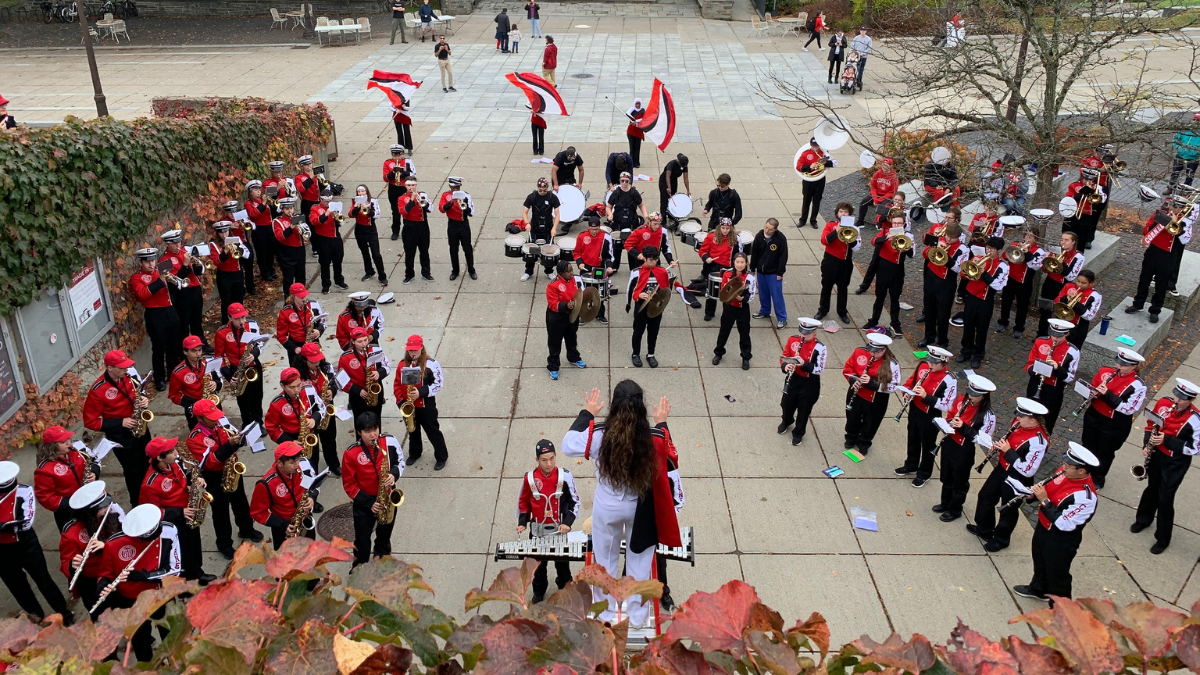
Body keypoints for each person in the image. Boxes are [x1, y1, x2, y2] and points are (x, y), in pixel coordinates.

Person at [561, 382, 680, 627]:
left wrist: (588, 413)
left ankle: (605, 613)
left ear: (614, 405)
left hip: (607, 506)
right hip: (639, 506)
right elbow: (670, 454)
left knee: (604, 559)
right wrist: (662, 423)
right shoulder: (652, 437)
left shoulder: (598, 435)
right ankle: (636, 615)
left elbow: (568, 444)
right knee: (640, 559)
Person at [1012, 443, 1101, 603]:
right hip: (1044, 526)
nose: (1063, 467)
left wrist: (1044, 500)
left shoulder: (1086, 497)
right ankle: (1039, 589)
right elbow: (1050, 488)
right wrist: (1032, 495)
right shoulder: (1064, 473)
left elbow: (1064, 523)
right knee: (1039, 559)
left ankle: (1062, 611)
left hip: (1061, 539)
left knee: (1057, 575)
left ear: (1081, 471)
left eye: (1068, 466)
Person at [96, 503, 180, 660]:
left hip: (159, 596)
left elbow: (175, 570)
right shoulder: (114, 543)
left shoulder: (169, 531)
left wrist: (143, 576)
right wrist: (103, 583)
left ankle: (175, 664)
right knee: (140, 643)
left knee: (170, 636)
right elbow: (105, 573)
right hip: (131, 601)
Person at [968, 397, 1049, 552]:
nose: (1017, 418)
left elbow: (1028, 469)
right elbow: (1009, 440)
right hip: (1001, 469)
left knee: (1008, 510)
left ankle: (1001, 539)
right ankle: (984, 528)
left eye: (1021, 416)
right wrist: (999, 447)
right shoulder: (1018, 423)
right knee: (985, 496)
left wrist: (1008, 451)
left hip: (1017, 477)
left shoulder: (1039, 442)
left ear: (1032, 420)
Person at [185, 399, 261, 560]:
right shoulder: (194, 438)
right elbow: (210, 461)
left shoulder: (220, 425)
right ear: (200, 419)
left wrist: (240, 438)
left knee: (240, 501)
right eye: (211, 417)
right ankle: (224, 543)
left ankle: (246, 528)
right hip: (214, 476)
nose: (216, 419)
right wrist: (230, 445)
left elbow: (232, 437)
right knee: (220, 511)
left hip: (231, 469)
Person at [1132, 378, 1200, 554]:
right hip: (1157, 455)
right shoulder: (1163, 403)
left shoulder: (1195, 419)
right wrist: (1147, 445)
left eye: (1182, 399)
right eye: (1176, 396)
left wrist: (1168, 440)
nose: (1176, 401)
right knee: (1152, 488)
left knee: (1165, 498)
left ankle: (1162, 538)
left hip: (1176, 462)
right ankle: (1143, 519)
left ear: (1191, 400)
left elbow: (1195, 448)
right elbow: (1150, 425)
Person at [0, 461, 72, 625]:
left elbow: (25, 523)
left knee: (43, 580)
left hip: (26, 545)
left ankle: (64, 614)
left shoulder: (23, 491)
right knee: (17, 586)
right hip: (2, 550)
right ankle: (36, 617)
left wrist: (4, 525)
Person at [140, 436, 216, 584]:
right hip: (175, 521)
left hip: (188, 512)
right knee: (182, 552)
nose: (176, 453)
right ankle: (185, 584)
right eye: (171, 451)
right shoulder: (150, 484)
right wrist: (179, 513)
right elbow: (151, 512)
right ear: (160, 458)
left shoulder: (174, 463)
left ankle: (197, 572)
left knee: (194, 546)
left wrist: (196, 479)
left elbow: (184, 474)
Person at [84, 350, 152, 505]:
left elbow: (138, 393)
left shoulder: (128, 378)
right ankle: (137, 503)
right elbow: (90, 422)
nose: (126, 370)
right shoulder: (98, 390)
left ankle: (152, 496)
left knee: (149, 463)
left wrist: (144, 399)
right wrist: (120, 422)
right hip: (121, 437)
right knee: (133, 473)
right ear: (110, 368)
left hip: (140, 428)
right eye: (121, 368)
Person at [517, 440, 580, 603]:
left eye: (552, 458)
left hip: (560, 531)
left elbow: (575, 501)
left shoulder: (564, 476)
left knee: (563, 565)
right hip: (537, 531)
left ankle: (565, 589)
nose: (549, 463)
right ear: (537, 460)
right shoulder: (529, 479)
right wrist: (523, 522)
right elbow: (523, 502)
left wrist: (567, 522)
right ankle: (539, 592)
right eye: (544, 460)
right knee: (538, 568)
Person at [933, 374, 997, 522]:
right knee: (946, 475)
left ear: (984, 396)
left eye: (975, 395)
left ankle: (955, 509)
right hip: (950, 442)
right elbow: (950, 414)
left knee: (959, 481)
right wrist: (948, 422)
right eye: (970, 393)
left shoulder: (988, 415)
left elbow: (984, 439)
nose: (971, 397)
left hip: (964, 449)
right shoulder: (963, 399)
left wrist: (963, 427)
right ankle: (945, 502)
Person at [1080, 348, 1147, 488]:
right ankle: (1083, 472)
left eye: (1123, 365)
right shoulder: (1105, 371)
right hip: (1094, 415)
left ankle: (1098, 479)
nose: (1118, 367)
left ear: (1133, 366)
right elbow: (1093, 386)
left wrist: (1107, 394)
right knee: (1087, 445)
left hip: (1113, 424)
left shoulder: (1138, 386)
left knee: (1104, 452)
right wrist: (1089, 392)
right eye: (1118, 363)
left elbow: (1129, 409)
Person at [342, 412, 403, 567]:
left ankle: (382, 560)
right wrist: (369, 503)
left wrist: (394, 474)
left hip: (387, 498)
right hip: (365, 502)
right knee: (362, 539)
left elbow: (401, 461)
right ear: (359, 432)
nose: (373, 434)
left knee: (384, 535)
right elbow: (349, 485)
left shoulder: (389, 441)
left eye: (375, 429)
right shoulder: (351, 453)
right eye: (367, 431)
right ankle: (359, 565)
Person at [59, 481, 125, 621]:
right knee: (101, 616)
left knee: (123, 609)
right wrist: (72, 565)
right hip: (92, 583)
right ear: (90, 511)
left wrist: (106, 545)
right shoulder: (72, 533)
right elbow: (65, 563)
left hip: (114, 572)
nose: (108, 507)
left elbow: (125, 538)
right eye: (102, 507)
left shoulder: (111, 515)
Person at [893, 347, 957, 488]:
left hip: (930, 415)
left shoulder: (949, 379)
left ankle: (924, 473)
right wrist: (907, 391)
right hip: (915, 409)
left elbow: (946, 405)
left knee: (928, 444)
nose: (930, 365)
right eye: (930, 361)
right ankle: (911, 464)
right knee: (913, 437)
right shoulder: (923, 365)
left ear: (943, 362)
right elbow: (912, 380)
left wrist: (925, 397)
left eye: (934, 363)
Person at [1127, 195, 1194, 323]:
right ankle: (1138, 303)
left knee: (1161, 284)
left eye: (1179, 207)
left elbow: (1185, 239)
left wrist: (1175, 224)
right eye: (1174, 205)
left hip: (1168, 256)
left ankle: (1155, 310)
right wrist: (1160, 222)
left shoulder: (1185, 221)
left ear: (1184, 208)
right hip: (1153, 251)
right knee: (1144, 279)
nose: (1175, 209)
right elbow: (1146, 230)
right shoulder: (1160, 214)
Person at [394, 334, 449, 470]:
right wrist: (401, 403)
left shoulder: (431, 364)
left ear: (421, 348)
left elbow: (439, 383)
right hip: (409, 405)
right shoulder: (402, 364)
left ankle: (441, 457)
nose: (413, 353)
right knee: (412, 431)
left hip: (426, 406)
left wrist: (421, 392)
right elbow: (396, 385)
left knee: (433, 431)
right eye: (410, 350)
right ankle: (415, 453)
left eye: (415, 350)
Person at [842, 332, 901, 456]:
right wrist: (854, 380)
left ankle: (864, 442)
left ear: (884, 350)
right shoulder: (859, 352)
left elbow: (894, 386)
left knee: (871, 422)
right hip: (856, 393)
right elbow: (848, 368)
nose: (872, 354)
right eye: (871, 351)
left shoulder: (892, 364)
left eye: (876, 352)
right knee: (852, 417)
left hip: (876, 399)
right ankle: (851, 437)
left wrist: (872, 383)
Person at [251, 441, 316, 549]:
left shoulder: (301, 468)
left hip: (304, 520)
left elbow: (313, 484)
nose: (297, 465)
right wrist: (282, 525)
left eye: (297, 460)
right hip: (284, 529)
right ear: (280, 463)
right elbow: (257, 513)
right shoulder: (266, 484)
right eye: (292, 462)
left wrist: (312, 497)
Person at [957, 236, 1009, 369]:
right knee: (968, 325)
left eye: (991, 249)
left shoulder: (1002, 266)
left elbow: (998, 286)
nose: (988, 251)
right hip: (971, 297)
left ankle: (978, 355)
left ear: (999, 250)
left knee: (981, 329)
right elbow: (964, 275)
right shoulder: (979, 258)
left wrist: (984, 273)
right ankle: (966, 351)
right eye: (987, 248)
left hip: (985, 300)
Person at [33, 426, 95, 531]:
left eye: (68, 439)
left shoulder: (75, 452)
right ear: (52, 447)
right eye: (63, 442)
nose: (69, 443)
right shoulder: (44, 469)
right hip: (69, 511)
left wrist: (94, 473)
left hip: (89, 498)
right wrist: (70, 502)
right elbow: (45, 497)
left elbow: (91, 462)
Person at [1024, 318, 1079, 434]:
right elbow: (1029, 364)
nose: (1055, 338)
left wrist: (1057, 368)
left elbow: (1070, 377)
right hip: (1035, 384)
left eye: (1059, 336)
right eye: (1053, 335)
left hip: (1054, 390)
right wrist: (1035, 371)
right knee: (1028, 414)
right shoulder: (1040, 342)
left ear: (1067, 334)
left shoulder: (1073, 351)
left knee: (1047, 421)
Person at [919, 220, 966, 349]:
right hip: (931, 278)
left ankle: (942, 341)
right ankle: (929, 337)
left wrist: (946, 256)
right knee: (929, 309)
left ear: (957, 237)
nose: (948, 239)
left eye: (951, 237)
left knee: (943, 313)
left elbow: (958, 268)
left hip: (946, 283)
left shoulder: (962, 249)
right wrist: (934, 247)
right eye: (947, 236)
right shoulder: (939, 240)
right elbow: (925, 254)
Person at [216, 303, 264, 428]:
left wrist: (254, 355)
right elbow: (218, 357)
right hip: (236, 368)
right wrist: (228, 375)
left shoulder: (252, 325)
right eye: (237, 318)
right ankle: (247, 423)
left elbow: (260, 344)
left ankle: (258, 422)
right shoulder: (222, 332)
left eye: (243, 317)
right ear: (229, 317)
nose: (241, 321)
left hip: (253, 365)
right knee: (243, 399)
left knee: (257, 396)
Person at [865, 212, 915, 335]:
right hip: (883, 269)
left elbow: (912, 254)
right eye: (894, 223)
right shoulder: (884, 231)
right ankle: (874, 320)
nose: (896, 225)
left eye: (899, 223)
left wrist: (906, 248)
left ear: (903, 224)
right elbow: (873, 241)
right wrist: (886, 237)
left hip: (897, 271)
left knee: (894, 298)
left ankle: (895, 324)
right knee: (879, 297)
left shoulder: (908, 236)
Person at [779, 318, 826, 446]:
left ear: (814, 332)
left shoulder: (820, 347)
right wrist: (785, 366)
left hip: (809, 383)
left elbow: (819, 369)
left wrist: (804, 364)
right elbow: (785, 355)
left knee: (804, 410)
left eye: (807, 333)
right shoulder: (793, 340)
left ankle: (798, 432)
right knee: (786, 404)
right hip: (793, 378)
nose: (803, 335)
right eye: (801, 332)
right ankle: (787, 421)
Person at [158, 229, 208, 351]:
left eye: (179, 242)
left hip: (195, 289)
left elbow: (197, 273)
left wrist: (196, 264)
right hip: (182, 294)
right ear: (167, 244)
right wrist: (185, 264)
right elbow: (174, 282)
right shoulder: (164, 260)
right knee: (184, 324)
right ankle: (185, 350)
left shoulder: (185, 251)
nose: (178, 246)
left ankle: (202, 346)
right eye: (174, 243)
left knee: (197, 321)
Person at [297, 342, 341, 479]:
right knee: (313, 443)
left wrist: (331, 391)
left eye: (319, 359)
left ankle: (333, 464)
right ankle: (312, 471)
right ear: (304, 360)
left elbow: (335, 381)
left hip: (326, 407)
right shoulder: (298, 375)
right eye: (313, 361)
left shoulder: (325, 368)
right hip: (310, 413)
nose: (317, 363)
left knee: (330, 438)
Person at [994, 229, 1046, 339]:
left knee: (1022, 306)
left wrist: (1027, 253)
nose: (1027, 238)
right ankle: (1003, 322)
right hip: (1010, 278)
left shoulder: (1039, 251)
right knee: (1006, 302)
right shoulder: (1015, 244)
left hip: (1024, 282)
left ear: (1036, 239)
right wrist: (1014, 249)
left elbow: (1035, 266)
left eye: (1031, 236)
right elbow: (1004, 257)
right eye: (1026, 235)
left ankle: (1019, 327)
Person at [857, 193, 912, 293]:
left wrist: (901, 218)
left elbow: (907, 228)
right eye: (895, 199)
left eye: (899, 200)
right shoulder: (887, 207)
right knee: (874, 262)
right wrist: (889, 213)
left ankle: (889, 287)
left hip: (898, 238)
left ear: (903, 201)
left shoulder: (905, 212)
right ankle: (864, 285)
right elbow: (878, 220)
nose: (897, 202)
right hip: (885, 236)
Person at [339, 327, 390, 434]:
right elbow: (341, 380)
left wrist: (379, 373)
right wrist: (356, 390)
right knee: (360, 423)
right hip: (358, 395)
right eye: (359, 342)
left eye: (365, 340)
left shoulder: (376, 349)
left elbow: (387, 365)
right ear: (352, 341)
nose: (364, 344)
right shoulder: (345, 357)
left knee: (376, 420)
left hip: (375, 390)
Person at [816, 203, 859, 325]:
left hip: (845, 263)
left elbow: (856, 248)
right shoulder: (830, 225)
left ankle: (842, 312)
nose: (843, 214)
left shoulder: (854, 229)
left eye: (846, 212)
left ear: (849, 214)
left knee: (843, 288)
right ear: (837, 213)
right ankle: (823, 310)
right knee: (826, 286)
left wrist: (851, 237)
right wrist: (836, 232)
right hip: (830, 261)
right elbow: (824, 240)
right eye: (841, 211)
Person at [712, 253, 756, 369]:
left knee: (744, 334)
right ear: (734, 262)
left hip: (743, 309)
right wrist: (732, 296)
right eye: (737, 262)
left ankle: (745, 357)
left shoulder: (750, 277)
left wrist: (743, 299)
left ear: (746, 263)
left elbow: (752, 294)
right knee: (724, 331)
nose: (739, 265)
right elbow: (723, 290)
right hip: (729, 307)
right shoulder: (727, 275)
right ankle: (718, 353)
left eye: (742, 262)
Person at [628, 246, 670, 368]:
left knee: (653, 332)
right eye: (650, 259)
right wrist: (638, 295)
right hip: (641, 306)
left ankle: (650, 354)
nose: (653, 262)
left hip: (656, 306)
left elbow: (666, 289)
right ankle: (635, 354)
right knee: (638, 331)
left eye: (655, 259)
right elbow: (631, 290)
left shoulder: (662, 272)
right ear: (645, 259)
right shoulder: (637, 272)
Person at [695, 218, 744, 321]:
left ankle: (726, 313)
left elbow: (739, 255)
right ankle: (709, 312)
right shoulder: (711, 237)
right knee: (711, 290)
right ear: (719, 227)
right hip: (713, 266)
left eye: (727, 228)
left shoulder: (736, 239)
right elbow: (702, 251)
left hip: (728, 268)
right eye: (723, 228)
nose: (725, 230)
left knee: (727, 291)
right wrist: (706, 258)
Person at [169, 335, 220, 431]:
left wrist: (216, 384)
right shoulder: (178, 372)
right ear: (185, 352)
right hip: (194, 409)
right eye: (194, 351)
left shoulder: (207, 362)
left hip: (212, 404)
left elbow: (218, 379)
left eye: (200, 350)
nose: (198, 354)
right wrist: (193, 402)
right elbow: (173, 395)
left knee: (218, 429)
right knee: (200, 435)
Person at [546, 260, 586, 379]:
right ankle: (553, 366)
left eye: (572, 270)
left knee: (571, 338)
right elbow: (552, 303)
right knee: (555, 342)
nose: (572, 273)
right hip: (556, 317)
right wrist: (565, 306)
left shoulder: (573, 280)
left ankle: (573, 357)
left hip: (571, 314)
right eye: (568, 271)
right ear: (561, 273)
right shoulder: (553, 285)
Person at [1045, 269, 1101, 348]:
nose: (1079, 285)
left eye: (1083, 283)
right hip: (1061, 323)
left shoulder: (1095, 295)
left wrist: (1075, 304)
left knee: (1071, 349)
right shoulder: (1069, 286)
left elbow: (1090, 316)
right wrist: (1066, 299)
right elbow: (1057, 301)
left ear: (1091, 284)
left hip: (1077, 328)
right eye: (1078, 281)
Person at [574, 217, 615, 324]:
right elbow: (576, 252)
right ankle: (583, 314)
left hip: (599, 268)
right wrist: (580, 263)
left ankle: (600, 314)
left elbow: (609, 255)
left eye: (596, 229)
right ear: (588, 227)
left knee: (599, 292)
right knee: (584, 293)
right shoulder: (582, 236)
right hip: (585, 268)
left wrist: (609, 266)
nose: (594, 231)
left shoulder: (606, 237)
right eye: (592, 229)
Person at [1037, 231, 1084, 326]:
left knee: (1059, 313)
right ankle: (1041, 333)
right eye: (1062, 239)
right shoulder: (1055, 250)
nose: (1063, 242)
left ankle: (1055, 334)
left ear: (1073, 242)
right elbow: (1045, 269)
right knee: (1045, 310)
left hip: (1063, 286)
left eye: (1066, 240)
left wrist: (1062, 264)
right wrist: (1048, 260)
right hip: (1049, 283)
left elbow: (1071, 276)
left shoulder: (1078, 257)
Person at [265, 368, 312, 460]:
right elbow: (271, 428)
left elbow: (320, 408)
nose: (297, 390)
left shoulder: (308, 392)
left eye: (299, 385)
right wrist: (290, 441)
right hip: (291, 437)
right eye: (292, 387)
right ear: (282, 386)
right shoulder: (277, 403)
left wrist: (314, 419)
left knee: (313, 464)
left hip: (308, 434)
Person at [750, 217, 788, 329]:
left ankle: (782, 318)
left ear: (775, 229)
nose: (767, 231)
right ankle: (765, 311)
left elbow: (783, 257)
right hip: (761, 272)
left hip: (774, 273)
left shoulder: (780, 239)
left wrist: (780, 273)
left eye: (770, 229)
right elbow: (754, 253)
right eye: (766, 227)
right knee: (763, 293)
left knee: (777, 296)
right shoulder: (759, 236)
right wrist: (753, 269)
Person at [275, 282, 324, 369]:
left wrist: (319, 331)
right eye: (301, 297)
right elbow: (281, 336)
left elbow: (323, 322)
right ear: (293, 297)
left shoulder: (314, 305)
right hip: (296, 346)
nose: (304, 298)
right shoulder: (285, 312)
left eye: (305, 295)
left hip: (313, 343)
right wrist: (294, 348)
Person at [522, 178, 562, 280]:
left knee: (548, 250)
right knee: (531, 249)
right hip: (535, 226)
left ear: (547, 188)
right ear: (537, 188)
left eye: (544, 190)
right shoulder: (532, 197)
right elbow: (524, 212)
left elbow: (557, 215)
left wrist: (554, 228)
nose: (542, 192)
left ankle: (549, 271)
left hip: (548, 226)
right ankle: (528, 271)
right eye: (540, 190)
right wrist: (527, 223)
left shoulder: (552, 197)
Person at [309, 190, 347, 294]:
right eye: (326, 201)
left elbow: (341, 223)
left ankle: (338, 280)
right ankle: (326, 284)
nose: (329, 203)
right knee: (325, 263)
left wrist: (338, 219)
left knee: (338, 260)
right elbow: (314, 221)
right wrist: (326, 213)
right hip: (323, 239)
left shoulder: (336, 206)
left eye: (330, 201)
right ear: (321, 199)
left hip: (335, 237)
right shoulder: (315, 208)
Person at [439, 176, 476, 281]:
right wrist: (451, 202)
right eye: (453, 187)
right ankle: (455, 271)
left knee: (467, 248)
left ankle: (471, 270)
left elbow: (472, 212)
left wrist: (464, 206)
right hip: (452, 225)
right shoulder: (445, 195)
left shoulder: (466, 195)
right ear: (450, 185)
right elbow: (442, 209)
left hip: (463, 224)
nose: (455, 189)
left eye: (457, 187)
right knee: (453, 249)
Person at [398, 178, 434, 283]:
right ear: (405, 186)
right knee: (409, 253)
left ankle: (426, 273)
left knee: (424, 251)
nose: (411, 187)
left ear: (416, 185)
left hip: (422, 226)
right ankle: (409, 274)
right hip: (409, 228)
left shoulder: (423, 195)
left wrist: (423, 202)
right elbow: (403, 212)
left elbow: (431, 208)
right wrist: (412, 201)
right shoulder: (402, 198)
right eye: (409, 185)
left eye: (413, 185)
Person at [207, 220, 244, 324]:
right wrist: (225, 251)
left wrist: (237, 248)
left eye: (226, 231)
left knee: (239, 298)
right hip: (224, 275)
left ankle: (240, 321)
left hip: (237, 273)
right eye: (221, 232)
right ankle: (226, 323)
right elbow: (216, 261)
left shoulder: (236, 239)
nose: (224, 234)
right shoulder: (213, 245)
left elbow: (242, 252)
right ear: (218, 233)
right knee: (226, 301)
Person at [350, 185, 387, 284]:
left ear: (367, 192)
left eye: (363, 191)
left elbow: (377, 215)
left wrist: (368, 210)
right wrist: (357, 207)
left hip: (371, 230)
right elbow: (351, 214)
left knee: (376, 254)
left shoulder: (373, 201)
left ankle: (382, 275)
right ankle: (369, 271)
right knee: (365, 253)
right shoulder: (354, 201)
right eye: (359, 192)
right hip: (359, 230)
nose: (361, 193)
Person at [1063, 168, 1106, 250]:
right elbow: (1068, 198)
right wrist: (1080, 194)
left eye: (1090, 179)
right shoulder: (1074, 185)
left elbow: (1103, 199)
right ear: (1082, 178)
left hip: (1087, 215)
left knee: (1082, 237)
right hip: (1073, 213)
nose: (1088, 181)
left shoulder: (1097, 188)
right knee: (1068, 234)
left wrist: (1095, 192)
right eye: (1086, 179)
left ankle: (1079, 253)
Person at [796, 138, 834, 229]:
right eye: (813, 146)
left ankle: (813, 220)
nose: (815, 148)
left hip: (819, 180)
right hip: (808, 180)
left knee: (817, 201)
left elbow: (833, 163)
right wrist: (809, 166)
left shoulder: (824, 153)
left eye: (816, 146)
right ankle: (803, 219)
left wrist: (826, 163)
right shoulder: (805, 154)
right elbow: (799, 167)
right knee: (806, 200)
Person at [272, 197, 307, 294]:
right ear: (282, 209)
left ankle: (301, 299)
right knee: (288, 279)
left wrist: (305, 235)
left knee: (301, 277)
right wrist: (291, 227)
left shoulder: (299, 217)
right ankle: (288, 302)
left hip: (300, 250)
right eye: (287, 209)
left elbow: (306, 231)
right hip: (287, 252)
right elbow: (280, 237)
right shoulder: (277, 221)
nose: (290, 211)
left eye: (291, 208)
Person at [383, 145, 415, 241]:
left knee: (407, 210)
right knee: (395, 211)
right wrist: (393, 172)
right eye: (394, 155)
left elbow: (413, 175)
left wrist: (402, 172)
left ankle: (408, 230)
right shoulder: (387, 163)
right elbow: (385, 178)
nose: (397, 158)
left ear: (402, 154)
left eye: (399, 155)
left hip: (404, 188)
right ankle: (395, 231)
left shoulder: (407, 162)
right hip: (393, 188)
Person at [858, 158, 897, 229]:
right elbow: (873, 187)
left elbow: (892, 192)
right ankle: (860, 221)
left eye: (887, 165)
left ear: (890, 166)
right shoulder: (877, 173)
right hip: (876, 194)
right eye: (883, 165)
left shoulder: (893, 177)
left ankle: (880, 223)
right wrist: (875, 198)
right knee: (864, 202)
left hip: (887, 197)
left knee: (883, 207)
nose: (884, 167)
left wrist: (879, 200)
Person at [1169, 114, 1200, 192]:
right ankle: (1171, 187)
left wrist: (1195, 152)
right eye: (1194, 119)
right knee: (1175, 172)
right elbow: (1175, 138)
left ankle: (1186, 191)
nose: (1195, 121)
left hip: (1193, 158)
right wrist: (1179, 148)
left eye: (1198, 120)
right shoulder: (1185, 129)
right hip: (1180, 155)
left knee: (1190, 175)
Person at [658, 153, 690, 222]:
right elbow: (667, 176)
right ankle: (663, 219)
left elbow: (685, 178)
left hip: (674, 181)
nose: (684, 167)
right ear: (679, 163)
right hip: (664, 182)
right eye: (683, 166)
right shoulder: (671, 164)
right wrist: (669, 187)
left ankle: (671, 214)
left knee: (673, 198)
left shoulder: (684, 166)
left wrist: (688, 190)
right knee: (664, 200)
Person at [626, 98, 645, 167]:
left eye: (639, 104)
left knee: (637, 148)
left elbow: (644, 119)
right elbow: (627, 114)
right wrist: (633, 120)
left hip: (638, 132)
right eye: (636, 104)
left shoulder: (642, 110)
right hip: (631, 132)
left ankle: (636, 163)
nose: (637, 105)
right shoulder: (632, 109)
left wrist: (636, 121)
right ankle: (631, 162)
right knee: (632, 148)